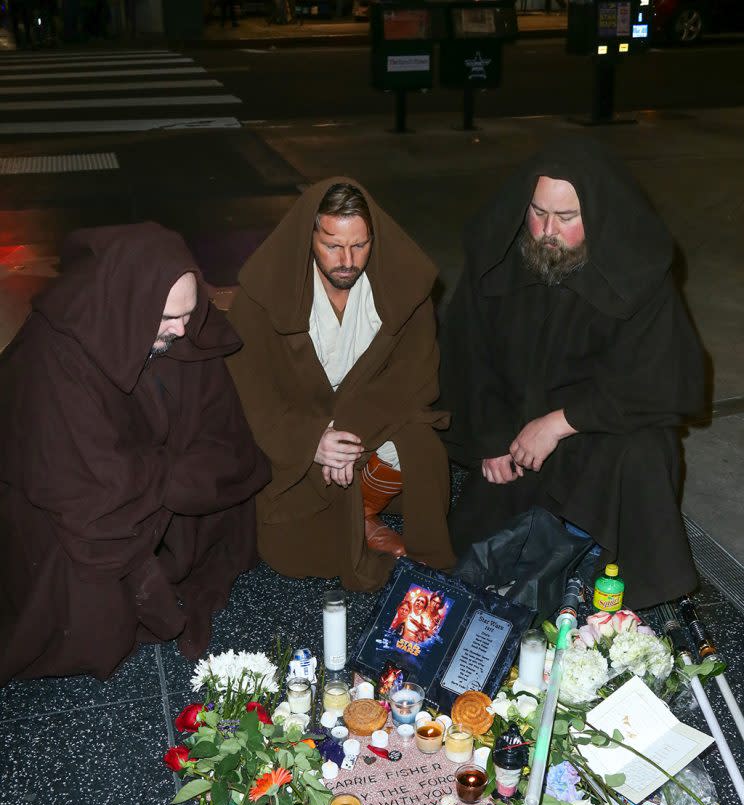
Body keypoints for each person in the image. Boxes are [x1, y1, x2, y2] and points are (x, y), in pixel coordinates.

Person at [440, 136, 706, 609]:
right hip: (517, 431)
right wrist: (490, 439)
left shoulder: (638, 270)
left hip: (597, 426)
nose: (546, 231)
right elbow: (470, 356)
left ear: (598, 217)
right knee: (483, 557)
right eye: (538, 212)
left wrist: (561, 422)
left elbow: (657, 383)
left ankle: (614, 583)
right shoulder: (500, 257)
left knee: (645, 454)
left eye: (566, 218)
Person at [0, 222, 270, 685]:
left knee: (227, 493)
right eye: (168, 318)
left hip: (142, 479)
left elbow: (226, 436)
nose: (183, 329)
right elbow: (78, 485)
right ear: (129, 307)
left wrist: (166, 475)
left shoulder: (181, 331)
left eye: (188, 313)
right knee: (89, 599)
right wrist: (165, 475)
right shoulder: (56, 354)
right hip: (69, 501)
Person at [227, 178, 454, 591]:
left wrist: (348, 437)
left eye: (360, 245)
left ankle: (362, 510)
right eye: (332, 245)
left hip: (369, 424)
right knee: (291, 550)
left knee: (422, 448)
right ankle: (357, 518)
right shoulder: (262, 299)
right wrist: (313, 440)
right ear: (307, 237)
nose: (348, 260)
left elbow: (414, 375)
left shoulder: (401, 289)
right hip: (295, 438)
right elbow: (250, 393)